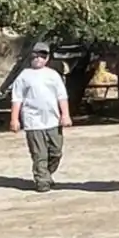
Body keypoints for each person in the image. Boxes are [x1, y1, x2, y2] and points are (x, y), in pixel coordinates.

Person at [10, 42, 72, 191]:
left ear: (47, 57)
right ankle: (42, 181)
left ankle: (45, 173)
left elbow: (62, 96)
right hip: (33, 121)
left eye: (42, 55)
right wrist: (14, 119)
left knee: (56, 152)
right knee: (39, 154)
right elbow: (17, 99)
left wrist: (66, 115)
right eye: (35, 54)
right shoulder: (24, 76)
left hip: (53, 120)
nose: (38, 58)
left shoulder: (53, 75)